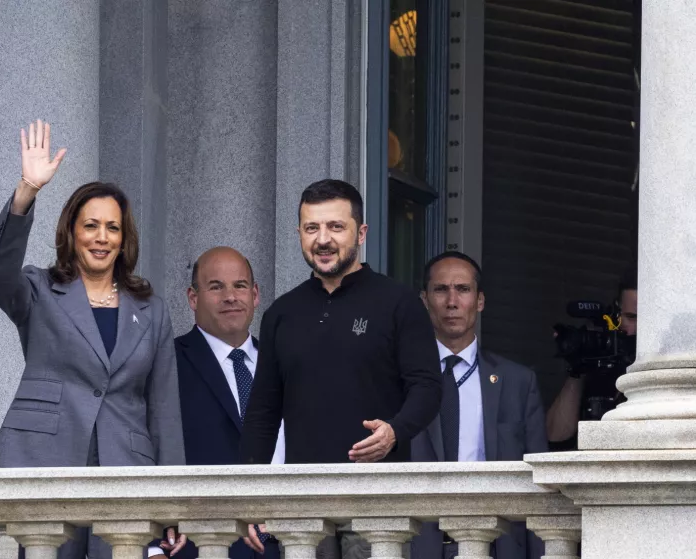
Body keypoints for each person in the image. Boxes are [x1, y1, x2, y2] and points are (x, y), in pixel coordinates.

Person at [0, 120, 186, 559]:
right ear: (72, 232)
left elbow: (164, 409)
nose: (101, 238)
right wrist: (26, 192)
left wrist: (173, 500)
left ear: (123, 237)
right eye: (91, 225)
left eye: (112, 228)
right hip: (48, 462)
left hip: (125, 469)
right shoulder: (39, 291)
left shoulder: (152, 309)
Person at [239, 179, 441, 559]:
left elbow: (428, 387)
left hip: (375, 497)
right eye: (312, 228)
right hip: (301, 499)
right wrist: (248, 496)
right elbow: (263, 413)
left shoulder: (398, 303)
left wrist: (395, 431)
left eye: (336, 227)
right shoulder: (281, 314)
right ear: (299, 233)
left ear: (360, 232)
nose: (323, 239)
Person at [410, 251, 548, 559]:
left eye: (463, 289)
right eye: (440, 289)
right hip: (420, 547)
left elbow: (540, 487)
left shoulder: (518, 382)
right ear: (424, 299)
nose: (452, 301)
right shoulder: (401, 381)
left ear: (480, 301)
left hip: (496, 547)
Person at [167, 246, 283, 559]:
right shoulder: (166, 364)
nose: (230, 296)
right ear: (193, 298)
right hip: (204, 546)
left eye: (240, 286)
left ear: (255, 294)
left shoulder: (283, 365)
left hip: (287, 543)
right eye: (216, 287)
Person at [545, 265, 638, 446]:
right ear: (616, 313)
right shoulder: (603, 360)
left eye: (645, 318)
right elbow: (555, 435)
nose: (635, 329)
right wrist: (578, 368)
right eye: (631, 317)